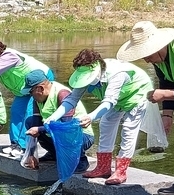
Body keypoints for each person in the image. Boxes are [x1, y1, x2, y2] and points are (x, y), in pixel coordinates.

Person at [45, 49, 153, 185]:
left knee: (128, 129)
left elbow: (109, 102)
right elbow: (72, 99)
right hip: (115, 99)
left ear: (97, 70)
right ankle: (103, 167)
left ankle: (121, 171)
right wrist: (53, 117)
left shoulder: (117, 74)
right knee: (105, 123)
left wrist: (91, 116)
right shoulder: (84, 75)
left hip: (136, 94)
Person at [116, 21, 174, 195]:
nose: (146, 59)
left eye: (147, 54)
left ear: (158, 46)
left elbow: (166, 91)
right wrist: (167, 115)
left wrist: (165, 95)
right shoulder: (160, 58)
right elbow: (167, 82)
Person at [23, 69, 94, 173]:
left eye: (31, 92)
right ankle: (54, 153)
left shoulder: (62, 94)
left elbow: (66, 126)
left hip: (82, 136)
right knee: (30, 123)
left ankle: (81, 160)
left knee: (62, 133)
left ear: (40, 89)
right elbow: (35, 124)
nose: (31, 95)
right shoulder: (37, 100)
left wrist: (40, 129)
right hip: (58, 131)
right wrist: (31, 155)